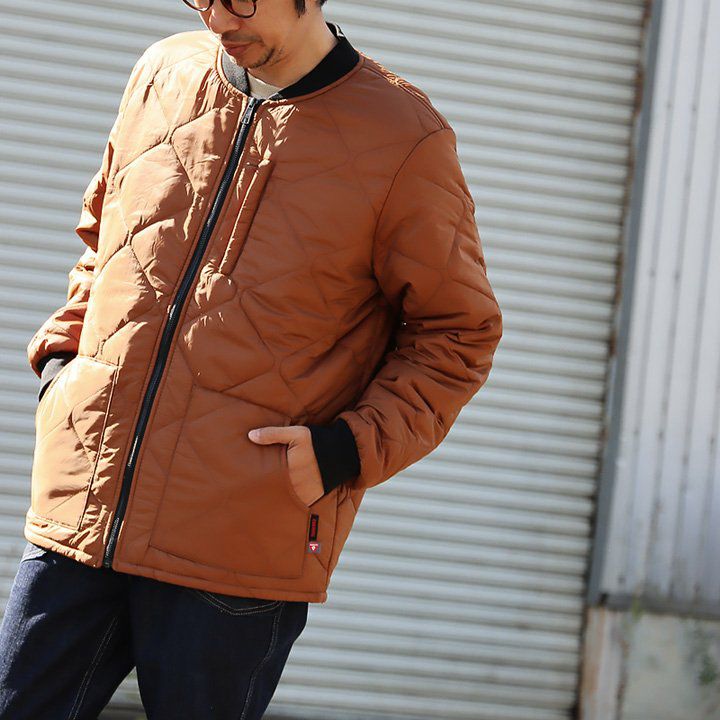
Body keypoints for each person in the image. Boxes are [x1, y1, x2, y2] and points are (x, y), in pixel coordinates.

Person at [0, 0, 503, 718]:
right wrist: (65, 366)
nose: (217, 18)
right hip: (82, 511)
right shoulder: (164, 70)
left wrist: (343, 451)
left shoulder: (403, 138)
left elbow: (458, 332)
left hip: (238, 543)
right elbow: (104, 239)